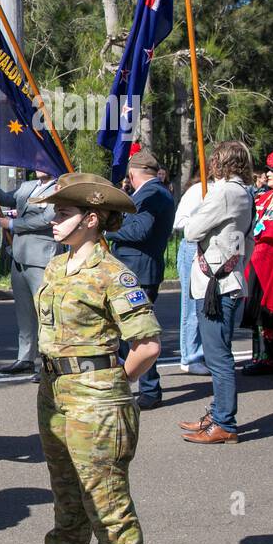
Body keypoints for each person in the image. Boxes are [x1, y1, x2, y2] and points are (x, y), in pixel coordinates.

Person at [0, 173, 160, 544]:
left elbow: (147, 345)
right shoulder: (58, 265)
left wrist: (108, 385)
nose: (54, 220)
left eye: (64, 214)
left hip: (95, 402)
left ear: (91, 219)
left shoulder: (114, 274)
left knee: (108, 508)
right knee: (68, 496)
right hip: (55, 395)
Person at [180, 141, 256, 444]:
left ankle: (224, 422)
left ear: (219, 162)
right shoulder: (241, 191)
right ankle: (217, 414)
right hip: (226, 278)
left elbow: (190, 231)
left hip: (217, 284)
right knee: (218, 352)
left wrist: (200, 209)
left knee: (218, 357)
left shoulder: (224, 192)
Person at [106, 149, 176, 409]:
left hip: (138, 271)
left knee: (138, 336)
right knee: (133, 335)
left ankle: (148, 390)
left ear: (133, 174)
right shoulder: (157, 190)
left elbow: (139, 230)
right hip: (140, 269)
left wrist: (106, 229)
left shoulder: (151, 193)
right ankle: (143, 386)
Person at [0, 165, 59, 377]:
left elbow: (46, 219)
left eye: (45, 163)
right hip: (19, 255)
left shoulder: (60, 189)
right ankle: (25, 358)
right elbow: (5, 199)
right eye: (38, 163)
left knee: (45, 312)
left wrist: (13, 224)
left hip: (41, 256)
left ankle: (49, 362)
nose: (41, 167)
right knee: (24, 312)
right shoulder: (27, 186)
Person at [240, 149, 273, 381]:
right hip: (259, 265)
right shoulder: (263, 197)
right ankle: (265, 358)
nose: (267, 174)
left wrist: (270, 231)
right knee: (261, 312)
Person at [173, 176, 208, 374]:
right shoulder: (198, 190)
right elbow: (179, 222)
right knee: (192, 304)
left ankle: (205, 353)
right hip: (194, 246)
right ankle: (190, 356)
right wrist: (203, 222)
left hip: (216, 248)